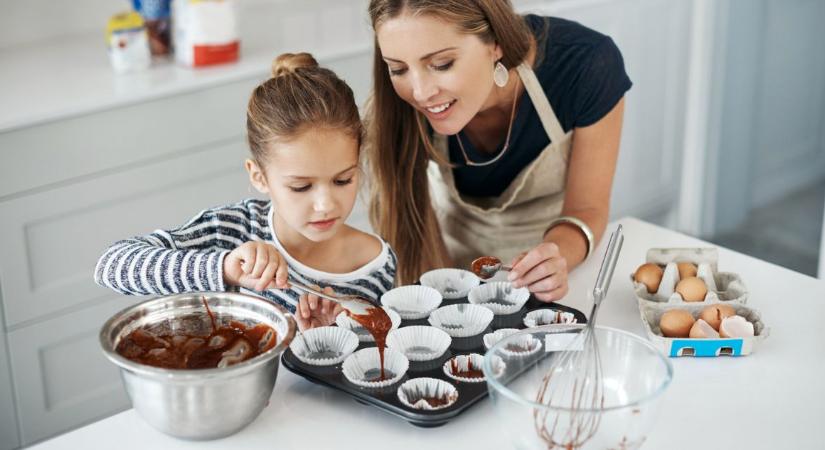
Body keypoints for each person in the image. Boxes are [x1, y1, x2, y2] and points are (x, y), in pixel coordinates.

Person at [95, 53, 397, 330]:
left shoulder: (375, 266)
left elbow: (375, 358)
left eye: (343, 180)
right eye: (301, 186)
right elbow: (111, 265)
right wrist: (224, 267)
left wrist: (321, 341)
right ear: (259, 176)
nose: (325, 204)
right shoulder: (231, 230)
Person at [365, 0, 630, 302]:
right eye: (398, 69)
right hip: (451, 262)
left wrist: (556, 257)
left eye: (442, 64)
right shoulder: (398, 105)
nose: (421, 92)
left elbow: (588, 208)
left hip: (562, 272)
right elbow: (412, 228)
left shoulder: (585, 64)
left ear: (496, 43)